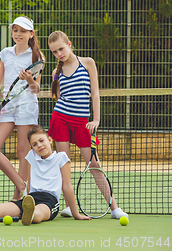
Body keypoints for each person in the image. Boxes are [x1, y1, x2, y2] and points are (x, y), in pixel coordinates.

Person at [47, 30, 128, 219]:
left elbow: (95, 93)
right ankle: (68, 206)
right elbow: (59, 97)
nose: (59, 54)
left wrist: (96, 120)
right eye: (54, 52)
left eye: (61, 48)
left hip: (83, 123)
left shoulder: (88, 63)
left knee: (94, 164)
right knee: (63, 164)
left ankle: (115, 208)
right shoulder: (56, 72)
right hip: (60, 119)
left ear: (69, 44)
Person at [0, 16, 44, 200]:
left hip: (27, 105)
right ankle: (21, 185)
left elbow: (36, 89)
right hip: (8, 106)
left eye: (23, 31)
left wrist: (28, 79)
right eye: (15, 30)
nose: (18, 34)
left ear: (31, 34)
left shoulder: (37, 57)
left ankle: (18, 198)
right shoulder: (6, 53)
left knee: (22, 151)